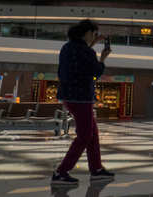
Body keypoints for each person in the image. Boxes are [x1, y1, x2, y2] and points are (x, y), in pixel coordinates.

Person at [52, 20, 113, 186]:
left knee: (92, 134)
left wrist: (93, 43)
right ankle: (61, 172)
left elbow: (80, 57)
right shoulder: (86, 52)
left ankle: (97, 169)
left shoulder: (67, 47)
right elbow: (95, 72)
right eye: (93, 34)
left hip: (68, 96)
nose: (93, 36)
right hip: (81, 97)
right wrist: (103, 58)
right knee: (85, 136)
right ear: (87, 33)